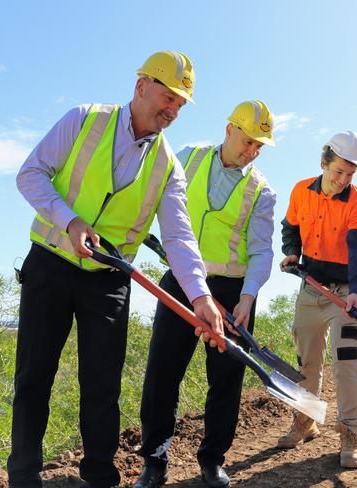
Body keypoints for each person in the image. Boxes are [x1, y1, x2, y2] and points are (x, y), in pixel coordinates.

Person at [8, 51, 224, 488]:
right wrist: (68, 219)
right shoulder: (83, 119)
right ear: (141, 86)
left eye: (181, 104)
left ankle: (100, 478)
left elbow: (180, 238)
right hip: (50, 264)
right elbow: (30, 174)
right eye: (168, 97)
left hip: (108, 281)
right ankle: (23, 478)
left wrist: (200, 297)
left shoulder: (168, 167)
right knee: (34, 379)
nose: (173, 109)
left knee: (103, 388)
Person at [134, 100, 277, 488]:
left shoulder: (262, 191)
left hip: (233, 292)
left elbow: (262, 250)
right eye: (248, 141)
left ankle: (212, 460)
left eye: (259, 146)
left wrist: (248, 298)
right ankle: (155, 460)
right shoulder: (187, 158)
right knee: (162, 373)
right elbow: (152, 197)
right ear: (230, 129)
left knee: (226, 380)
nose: (252, 151)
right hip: (181, 282)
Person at [278, 131, 357, 469]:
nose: (343, 180)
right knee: (307, 363)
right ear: (323, 162)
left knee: (346, 364)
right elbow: (290, 228)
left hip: (343, 294)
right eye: (338, 172)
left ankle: (351, 438)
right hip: (310, 288)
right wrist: (292, 253)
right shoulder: (301, 191)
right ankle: (305, 423)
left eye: (350, 175)